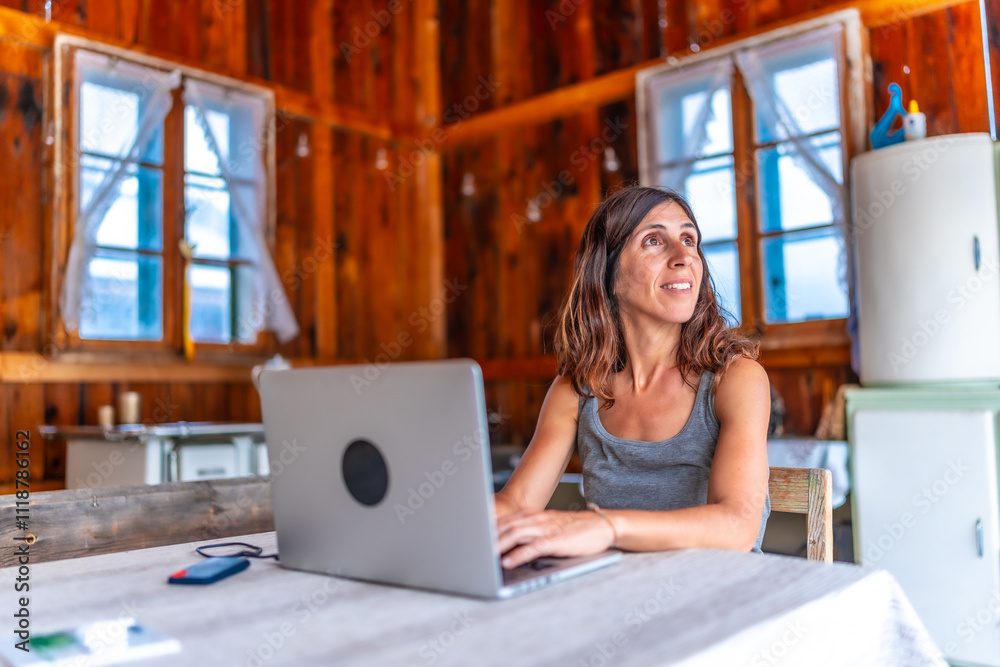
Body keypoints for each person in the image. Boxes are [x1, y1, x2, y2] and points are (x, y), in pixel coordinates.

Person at [494, 185, 771, 569]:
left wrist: (605, 527)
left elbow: (737, 527)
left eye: (689, 240)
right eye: (654, 241)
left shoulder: (736, 379)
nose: (683, 257)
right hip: (618, 598)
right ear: (608, 273)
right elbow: (515, 505)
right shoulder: (577, 390)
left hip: (719, 596)